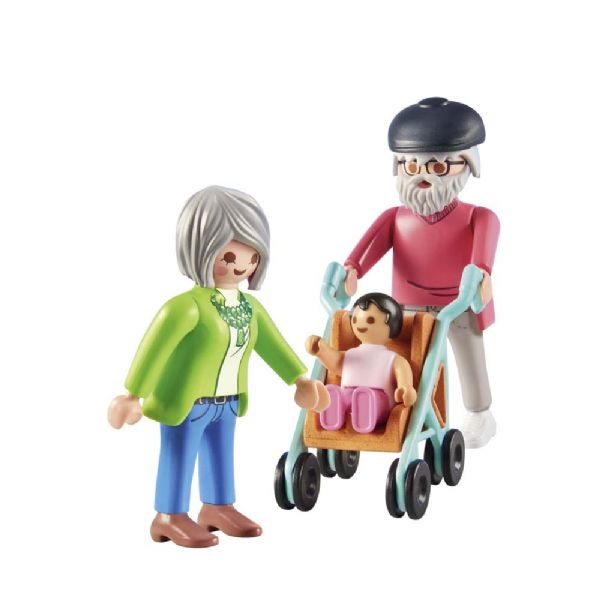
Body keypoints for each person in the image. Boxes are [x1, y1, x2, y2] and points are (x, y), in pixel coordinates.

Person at [108, 185, 329, 548]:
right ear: (200, 249)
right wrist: (133, 393)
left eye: (252, 255)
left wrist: (299, 379)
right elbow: (154, 348)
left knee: (220, 454)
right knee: (179, 456)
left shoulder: (249, 307)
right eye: (228, 255)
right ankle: (169, 515)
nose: (241, 265)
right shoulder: (186, 307)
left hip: (228, 400)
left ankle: (218, 506)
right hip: (187, 403)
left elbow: (273, 345)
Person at [343, 98, 500, 448]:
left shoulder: (480, 217)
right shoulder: (395, 217)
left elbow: (481, 260)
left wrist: (480, 278)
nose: (422, 174)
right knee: (407, 366)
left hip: (458, 305)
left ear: (467, 164)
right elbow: (365, 251)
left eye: (438, 166)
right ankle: (408, 412)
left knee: (469, 357)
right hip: (406, 309)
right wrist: (351, 269)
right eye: (411, 165)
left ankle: (479, 414)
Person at [306, 292, 416, 434]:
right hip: (349, 392)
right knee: (337, 394)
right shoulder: (351, 354)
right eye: (355, 319)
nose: (361, 324)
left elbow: (403, 373)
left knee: (367, 398)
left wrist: (405, 388)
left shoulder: (393, 359)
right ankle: (333, 413)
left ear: (392, 325)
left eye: (370, 320)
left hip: (380, 399)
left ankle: (364, 416)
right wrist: (321, 350)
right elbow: (336, 362)